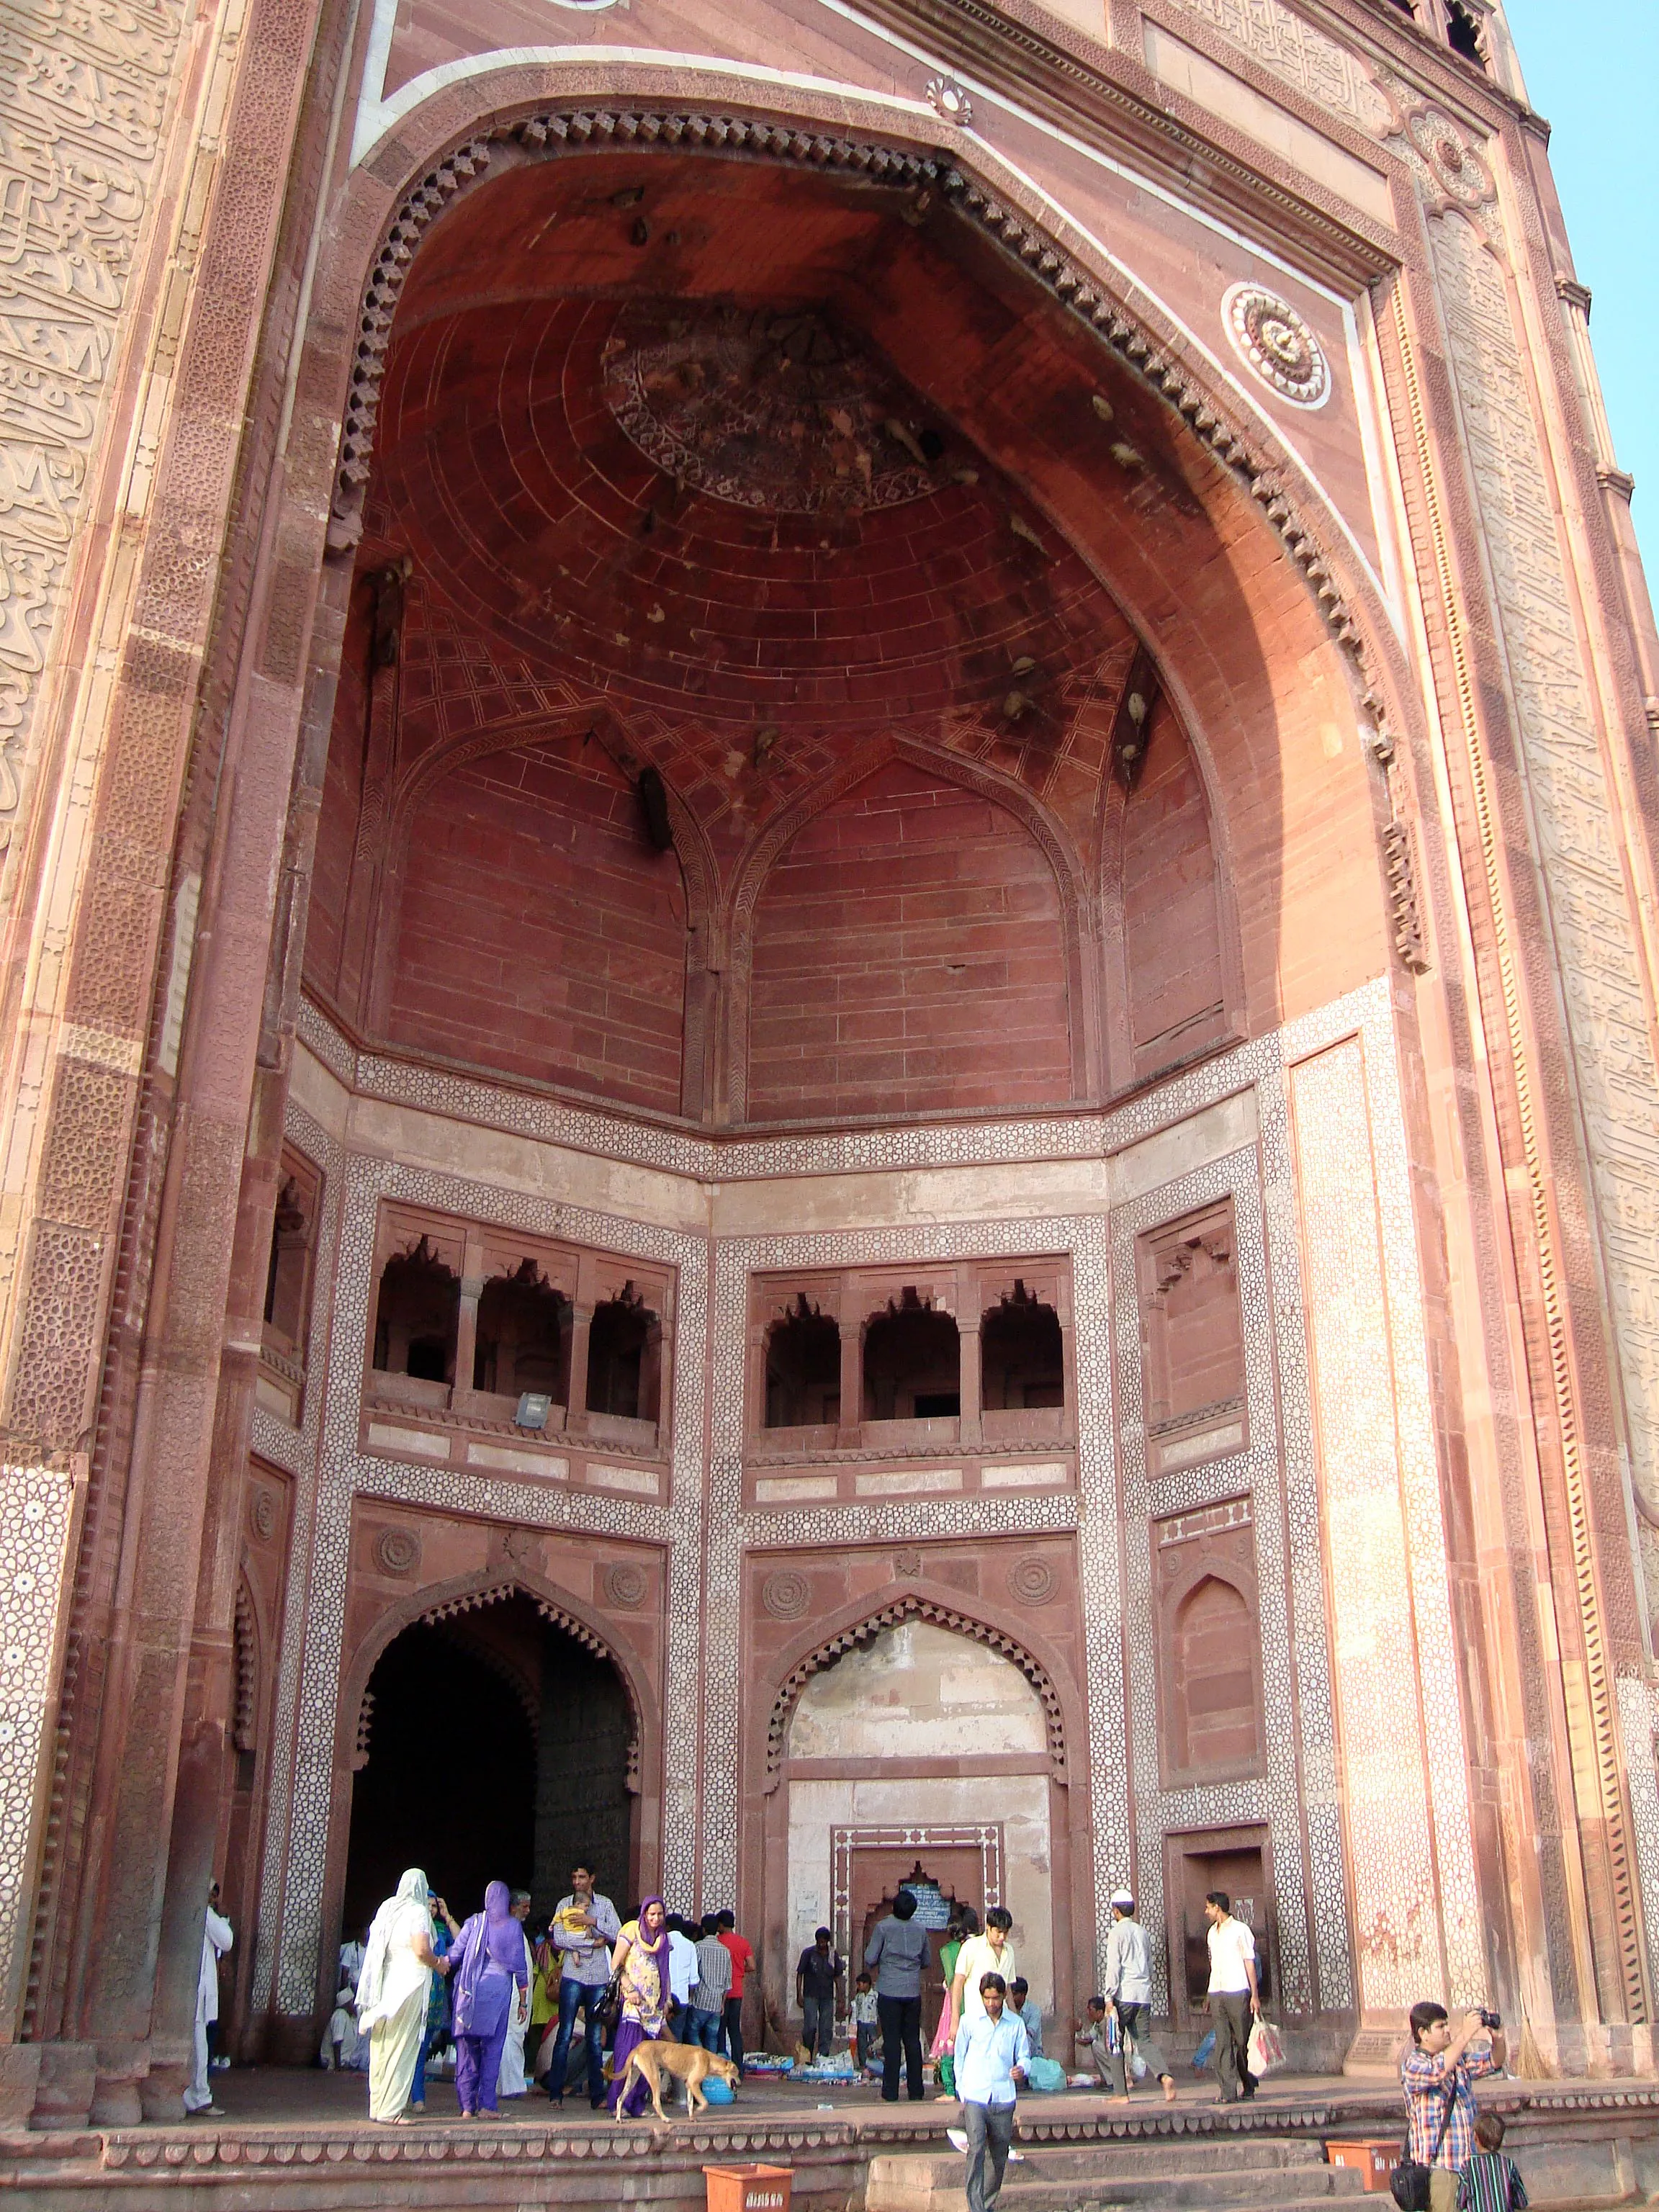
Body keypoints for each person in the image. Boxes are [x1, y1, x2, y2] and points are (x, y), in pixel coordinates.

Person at [357, 1868, 449, 2124]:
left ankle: (378, 2106)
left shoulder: (388, 1908)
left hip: (386, 1985)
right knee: (402, 2047)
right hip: (409, 1984)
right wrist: (438, 1963)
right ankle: (391, 2109)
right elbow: (421, 1950)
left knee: (383, 2046)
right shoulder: (418, 1912)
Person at [1403, 2002, 1508, 2212]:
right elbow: (1438, 2071)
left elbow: (1493, 2062)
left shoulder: (1458, 2062)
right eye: (1441, 2027)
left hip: (1469, 2165)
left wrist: (1498, 2038)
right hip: (1441, 2168)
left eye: (1447, 2025)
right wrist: (1466, 2035)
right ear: (1423, 2033)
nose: (1448, 2030)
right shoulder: (1414, 2065)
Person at [945, 1973, 1029, 2212]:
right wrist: (962, 2090)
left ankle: (987, 2203)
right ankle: (976, 2207)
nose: (991, 2003)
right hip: (975, 2094)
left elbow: (1024, 2054)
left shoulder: (1015, 2024)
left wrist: (1022, 2068)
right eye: (987, 1998)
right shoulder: (969, 2021)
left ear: (1004, 1996)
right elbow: (959, 2057)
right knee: (976, 2148)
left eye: (996, 1998)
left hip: (1003, 2096)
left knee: (999, 2154)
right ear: (981, 1996)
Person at [446, 1881, 530, 2119]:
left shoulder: (474, 1923)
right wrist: (523, 2001)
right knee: (492, 2052)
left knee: (467, 2051)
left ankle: (466, 2107)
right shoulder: (513, 1927)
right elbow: (520, 1968)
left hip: (469, 1998)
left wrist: (437, 1963)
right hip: (498, 1997)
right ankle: (487, 2106)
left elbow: (455, 1954)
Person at [546, 1861, 621, 2108]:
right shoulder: (564, 1905)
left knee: (594, 2036)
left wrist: (593, 1921)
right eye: (574, 1877)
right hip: (572, 1975)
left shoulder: (605, 1905)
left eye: (581, 1877)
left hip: (598, 1977)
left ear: (592, 1879)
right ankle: (555, 2094)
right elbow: (559, 1937)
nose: (577, 1881)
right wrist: (591, 1944)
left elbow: (617, 1933)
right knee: (565, 2033)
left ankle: (598, 2096)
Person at [1102, 1891, 1177, 2105]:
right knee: (1144, 2040)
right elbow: (1150, 1964)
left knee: (1114, 2041)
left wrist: (1109, 1996)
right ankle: (1164, 2075)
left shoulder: (1116, 1932)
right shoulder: (1142, 1932)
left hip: (1123, 1995)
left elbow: (1114, 1967)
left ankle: (1121, 2093)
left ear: (1116, 1910)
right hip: (1143, 1995)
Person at [607, 1897, 672, 2117]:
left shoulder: (663, 1939)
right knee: (628, 2053)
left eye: (659, 1914)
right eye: (651, 1914)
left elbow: (665, 1972)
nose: (655, 1918)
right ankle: (619, 2103)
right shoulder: (631, 1930)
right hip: (633, 2005)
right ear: (644, 1914)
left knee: (649, 2059)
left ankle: (636, 2105)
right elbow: (616, 1964)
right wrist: (630, 1989)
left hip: (654, 2008)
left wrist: (667, 2000)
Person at [865, 1887, 929, 2103]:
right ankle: (916, 2090)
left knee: (891, 2041)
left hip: (889, 1990)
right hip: (912, 1991)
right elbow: (927, 1961)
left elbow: (870, 1958)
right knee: (912, 2041)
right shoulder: (920, 1930)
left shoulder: (883, 1927)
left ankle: (890, 2091)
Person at [1202, 1892, 1259, 2104]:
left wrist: (1254, 1995)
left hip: (1238, 1991)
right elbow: (1213, 1965)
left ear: (1217, 1907)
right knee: (1223, 2043)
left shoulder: (1240, 1930)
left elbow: (1249, 1962)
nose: (1206, 1911)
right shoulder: (1211, 1933)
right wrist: (1209, 1992)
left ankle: (1248, 2082)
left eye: (1208, 1907)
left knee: (1243, 2041)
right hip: (1218, 1992)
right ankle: (1228, 2091)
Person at [184, 1881, 234, 2116]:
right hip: (194, 1990)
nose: (215, 1900)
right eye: (212, 1895)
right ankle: (199, 2097)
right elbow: (227, 1940)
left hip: (190, 1989)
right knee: (198, 2046)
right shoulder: (203, 1913)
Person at [411, 1892, 460, 2112]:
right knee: (415, 2048)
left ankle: (416, 2096)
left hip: (436, 1995)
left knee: (424, 2045)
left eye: (434, 1906)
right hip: (417, 1992)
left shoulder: (440, 1930)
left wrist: (447, 1916)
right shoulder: (414, 1928)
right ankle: (416, 2097)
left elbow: (460, 1942)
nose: (431, 1910)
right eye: (428, 1905)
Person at [950, 1907, 1015, 2043]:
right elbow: (958, 1983)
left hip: (1002, 2020)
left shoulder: (1009, 1951)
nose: (1002, 1937)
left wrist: (1016, 2018)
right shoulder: (971, 1947)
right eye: (998, 1932)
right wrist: (955, 2019)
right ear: (988, 1927)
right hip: (976, 2017)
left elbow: (1008, 1986)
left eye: (1005, 1933)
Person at [496, 1890, 535, 2097]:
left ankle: (510, 2084)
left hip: (520, 1991)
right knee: (511, 2034)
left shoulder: (515, 1929)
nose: (528, 1911)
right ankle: (511, 2086)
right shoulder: (507, 1929)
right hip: (512, 1992)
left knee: (515, 2035)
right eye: (524, 1907)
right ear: (512, 1907)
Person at [930, 1908, 976, 2073]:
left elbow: (952, 1981)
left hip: (955, 2001)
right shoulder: (979, 1946)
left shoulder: (949, 1950)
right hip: (977, 2000)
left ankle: (950, 2088)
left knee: (949, 2041)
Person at [1458, 2111, 1527, 2212]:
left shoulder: (1468, 2166)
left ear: (1475, 2137)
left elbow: (1460, 2202)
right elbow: (1522, 2202)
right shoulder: (1507, 2164)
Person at [796, 1927, 844, 2060]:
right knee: (810, 2026)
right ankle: (808, 2054)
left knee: (826, 2028)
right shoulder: (808, 1953)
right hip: (810, 1995)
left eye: (824, 1942)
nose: (821, 1944)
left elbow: (838, 1976)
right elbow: (800, 1973)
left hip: (827, 1996)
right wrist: (798, 1995)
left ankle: (823, 2056)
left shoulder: (833, 1955)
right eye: (819, 1942)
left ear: (827, 1942)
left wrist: (840, 1997)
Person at [688, 1913, 732, 2049]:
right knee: (712, 2038)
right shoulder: (725, 1951)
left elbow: (693, 1975)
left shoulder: (698, 1947)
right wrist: (722, 2004)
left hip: (700, 2001)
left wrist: (690, 1996)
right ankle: (710, 2067)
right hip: (716, 2004)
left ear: (703, 1930)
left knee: (692, 2033)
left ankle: (701, 2058)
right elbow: (728, 1982)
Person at [716, 1910, 752, 2074]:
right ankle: (739, 2068)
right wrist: (739, 1971)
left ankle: (722, 2068)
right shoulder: (743, 1943)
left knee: (720, 2030)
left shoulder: (717, 1941)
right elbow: (752, 1966)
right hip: (737, 1991)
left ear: (721, 1925)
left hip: (720, 1993)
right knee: (735, 2031)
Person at [665, 1912, 698, 2037]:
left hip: (663, 1998)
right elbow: (694, 1980)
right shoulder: (690, 1945)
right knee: (677, 2038)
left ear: (667, 1926)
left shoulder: (660, 1942)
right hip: (682, 1997)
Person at [320, 1982, 364, 2072]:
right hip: (334, 2063)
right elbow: (337, 2042)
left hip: (346, 2062)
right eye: (353, 2003)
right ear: (347, 2004)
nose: (355, 2006)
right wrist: (338, 2068)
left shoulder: (351, 2017)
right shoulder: (340, 2015)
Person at [1076, 1995, 1113, 2089]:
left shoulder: (1108, 2022)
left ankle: (1111, 2081)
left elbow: (1089, 2041)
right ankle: (1107, 2079)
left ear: (1100, 2012)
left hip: (1119, 2057)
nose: (1088, 2013)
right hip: (1110, 2055)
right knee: (1096, 2046)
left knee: (1096, 2046)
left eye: (1090, 2010)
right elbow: (1087, 2038)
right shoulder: (1098, 2024)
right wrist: (1078, 2031)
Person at [1007, 1978, 1042, 2061]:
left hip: (1034, 2054)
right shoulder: (1006, 2008)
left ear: (1023, 1995)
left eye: (1014, 1994)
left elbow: (1028, 2035)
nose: (1011, 1998)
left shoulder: (1034, 2011)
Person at [853, 1972, 879, 2072]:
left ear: (867, 1984)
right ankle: (863, 2065)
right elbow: (855, 2008)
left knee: (873, 2044)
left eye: (861, 1984)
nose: (859, 1987)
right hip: (861, 2022)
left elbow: (879, 2009)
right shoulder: (858, 1996)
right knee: (861, 2044)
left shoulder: (875, 1995)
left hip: (872, 2022)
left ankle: (873, 2065)